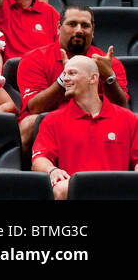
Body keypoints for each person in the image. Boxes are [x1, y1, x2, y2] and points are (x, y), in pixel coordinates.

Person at [17, 4, 129, 151]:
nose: (79, 30)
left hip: (96, 122)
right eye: (72, 24)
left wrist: (108, 77)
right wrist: (66, 77)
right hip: (52, 122)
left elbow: (121, 107)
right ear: (58, 27)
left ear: (92, 31)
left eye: (85, 26)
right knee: (31, 123)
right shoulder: (35, 59)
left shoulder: (108, 62)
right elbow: (35, 107)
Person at [32, 55, 138, 200]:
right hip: (75, 188)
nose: (65, 79)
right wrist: (52, 170)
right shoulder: (52, 120)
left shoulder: (128, 119)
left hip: (116, 189)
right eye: (64, 74)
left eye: (72, 73)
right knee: (61, 188)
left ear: (93, 78)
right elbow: (40, 158)